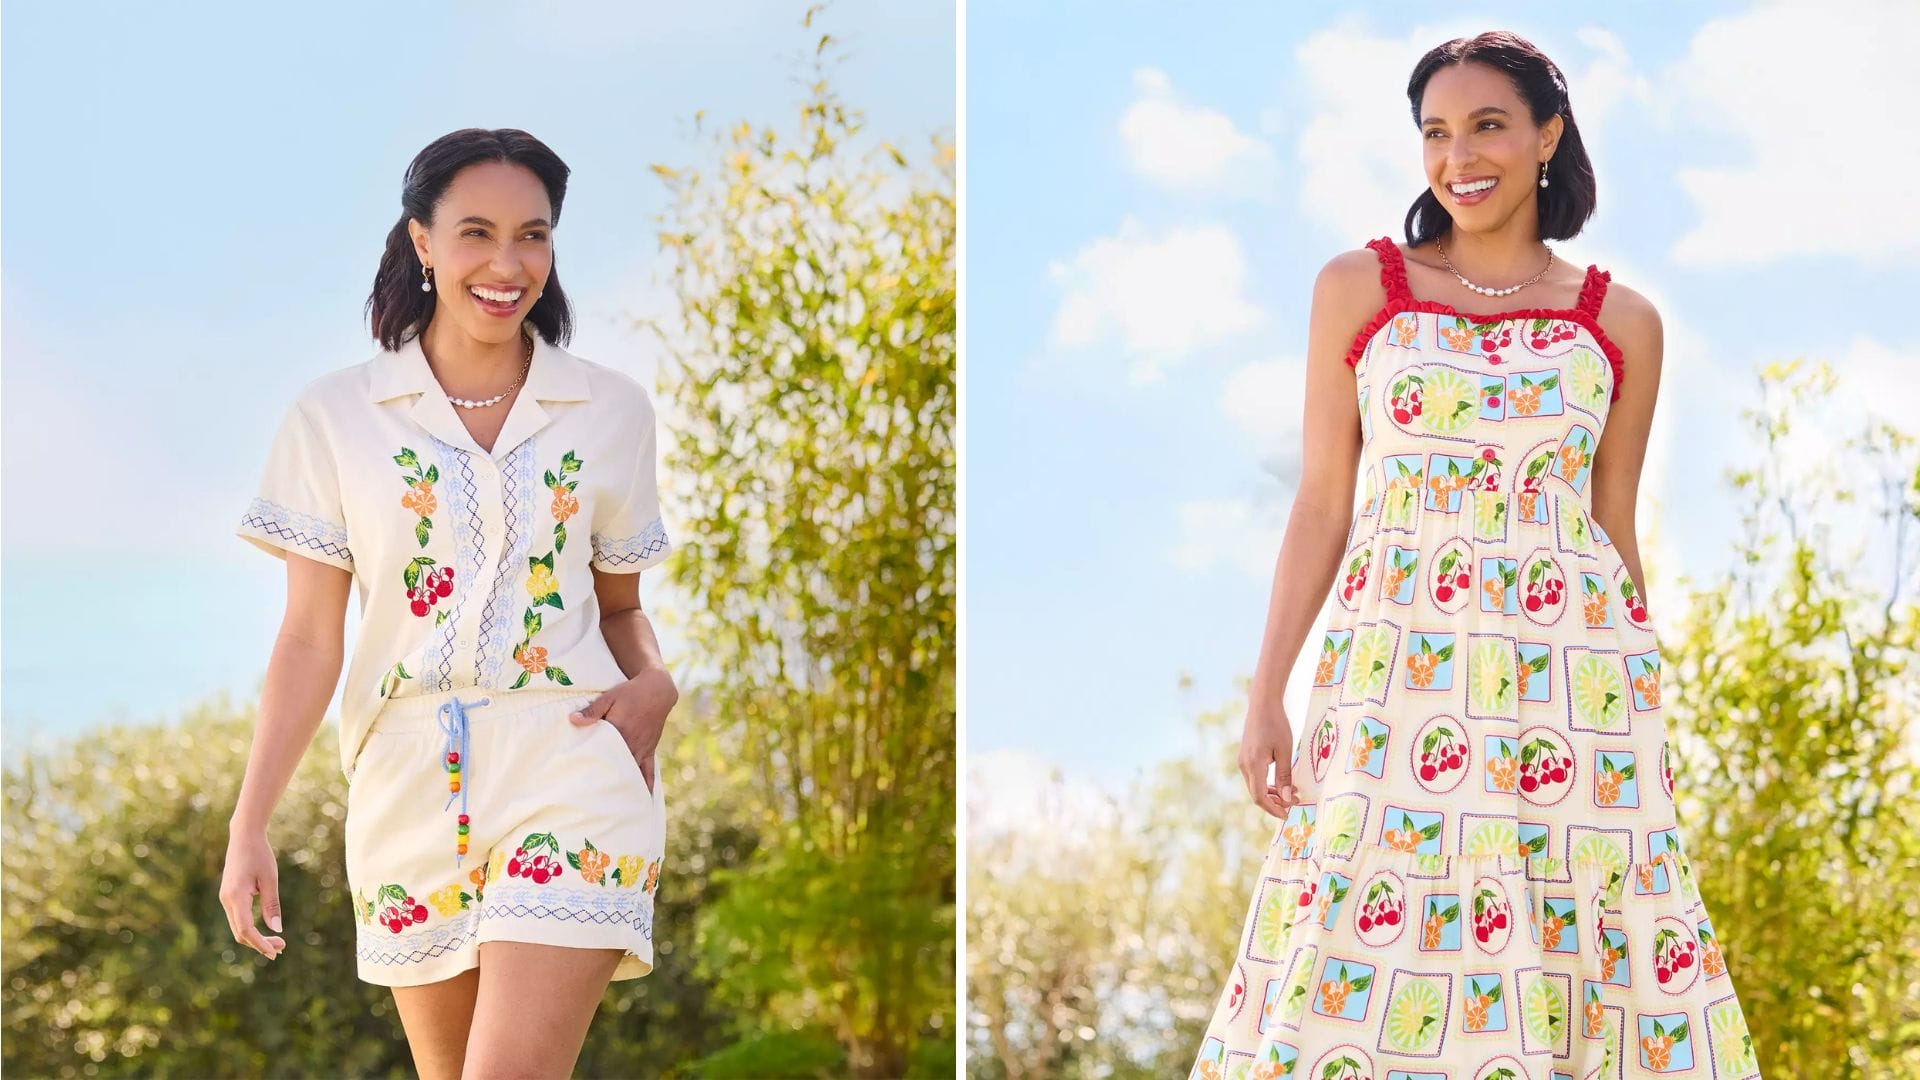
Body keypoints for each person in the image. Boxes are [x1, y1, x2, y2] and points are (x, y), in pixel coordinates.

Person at [1189, 33, 1762, 1079]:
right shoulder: (1360, 288)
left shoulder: (1623, 322)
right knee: (1366, 916)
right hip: (1395, 668)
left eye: (1487, 125)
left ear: (1548, 134)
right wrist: (1267, 691)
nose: (1460, 157)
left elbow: (1614, 529)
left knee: (1575, 920)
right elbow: (1322, 503)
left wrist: (1646, 717)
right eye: (1436, 133)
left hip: (1574, 686)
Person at [220, 128, 677, 1079]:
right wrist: (250, 822)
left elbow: (622, 606)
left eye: (534, 236)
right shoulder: (335, 416)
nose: (508, 264)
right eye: (477, 232)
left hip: (572, 754)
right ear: (422, 241)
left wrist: (657, 682)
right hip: (404, 779)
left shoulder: (612, 410)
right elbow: (310, 637)